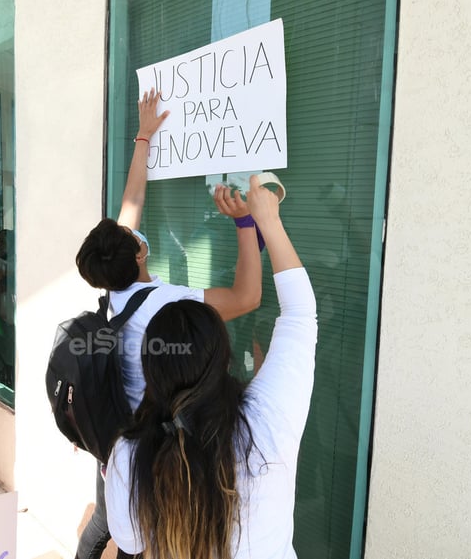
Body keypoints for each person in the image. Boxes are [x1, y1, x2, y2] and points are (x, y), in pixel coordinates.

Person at [73, 89, 263, 559]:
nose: (135, 230)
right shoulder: (167, 304)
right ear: (138, 251)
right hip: (155, 445)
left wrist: (144, 135)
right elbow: (247, 297)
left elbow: (132, 199)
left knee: (107, 521)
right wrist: (245, 224)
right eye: (133, 236)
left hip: (116, 439)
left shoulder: (113, 286)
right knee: (144, 537)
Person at [104, 182, 317, 559]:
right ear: (223, 355)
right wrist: (262, 220)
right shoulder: (266, 421)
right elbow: (299, 312)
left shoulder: (130, 452)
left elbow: (131, 541)